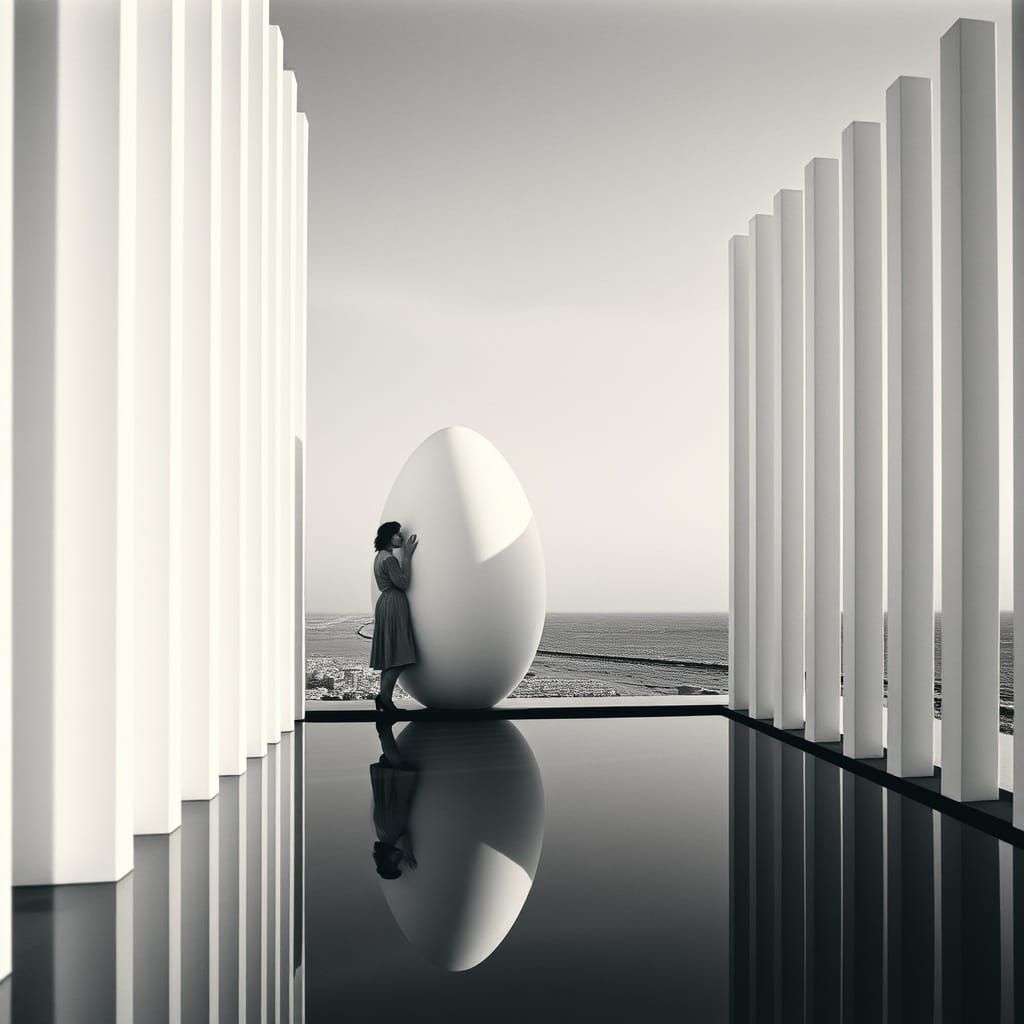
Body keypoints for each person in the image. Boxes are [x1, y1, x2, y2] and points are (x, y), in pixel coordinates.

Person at [369, 521, 419, 714]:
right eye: (397, 534)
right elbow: (403, 583)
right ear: (389, 536)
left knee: (391, 656)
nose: (401, 537)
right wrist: (407, 557)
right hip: (393, 604)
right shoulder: (389, 559)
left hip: (385, 603)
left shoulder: (379, 556)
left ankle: (385, 700)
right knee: (399, 657)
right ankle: (385, 700)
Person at [370, 717, 418, 880]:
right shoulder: (382, 835)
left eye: (394, 864)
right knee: (393, 760)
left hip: (395, 791)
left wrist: (408, 853)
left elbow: (405, 836)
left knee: (396, 761)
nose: (397, 863)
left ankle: (384, 728)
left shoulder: (390, 834)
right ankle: (383, 728)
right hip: (388, 790)